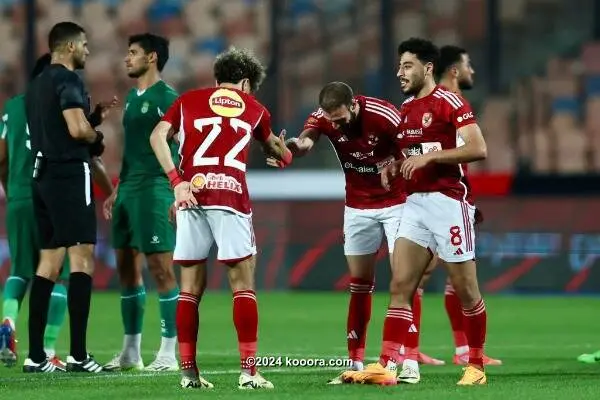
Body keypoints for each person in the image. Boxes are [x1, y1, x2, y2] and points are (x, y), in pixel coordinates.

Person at [266, 81, 441, 384]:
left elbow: (412, 154)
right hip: (357, 206)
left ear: (354, 105)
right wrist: (294, 147)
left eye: (340, 118)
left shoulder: (384, 115)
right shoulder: (324, 117)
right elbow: (307, 141)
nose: (336, 125)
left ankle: (408, 359)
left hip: (397, 203)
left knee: (404, 280)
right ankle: (355, 362)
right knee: (360, 283)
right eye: (331, 120)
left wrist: (398, 168)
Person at [341, 37, 488, 386]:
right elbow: (413, 153)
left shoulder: (450, 102)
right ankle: (387, 364)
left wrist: (430, 157)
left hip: (449, 203)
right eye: (399, 66)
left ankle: (477, 366)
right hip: (414, 205)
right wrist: (396, 164)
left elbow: (478, 148)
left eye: (407, 65)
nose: (400, 72)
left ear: (428, 67)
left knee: (465, 288)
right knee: (400, 285)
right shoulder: (404, 110)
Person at [149, 47, 291, 389]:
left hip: (192, 195)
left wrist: (177, 183)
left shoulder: (187, 100)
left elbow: (156, 137)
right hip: (230, 196)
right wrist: (283, 156)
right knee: (242, 284)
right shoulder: (255, 108)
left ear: (217, 80)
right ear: (245, 82)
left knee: (189, 289)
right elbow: (279, 151)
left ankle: (188, 374)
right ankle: (249, 373)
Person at [23, 21, 116, 373]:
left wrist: (92, 118)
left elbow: (59, 127)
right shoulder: (68, 79)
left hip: (42, 175)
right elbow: (77, 131)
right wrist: (95, 135)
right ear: (70, 47)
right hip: (68, 174)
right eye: (85, 44)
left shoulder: (35, 85)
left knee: (48, 264)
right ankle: (78, 355)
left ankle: (35, 357)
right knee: (82, 260)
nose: (88, 51)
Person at [408, 44, 501, 367]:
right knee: (440, 276)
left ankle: (457, 350)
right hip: (441, 199)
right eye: (468, 64)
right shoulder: (448, 103)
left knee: (444, 277)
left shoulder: (445, 103)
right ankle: (457, 351)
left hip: (449, 196)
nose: (471, 71)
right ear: (453, 70)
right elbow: (463, 153)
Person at [102, 33, 180, 373]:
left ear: (151, 57)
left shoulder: (169, 98)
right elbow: (133, 149)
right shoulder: (133, 98)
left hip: (155, 189)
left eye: (132, 53)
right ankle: (131, 352)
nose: (126, 58)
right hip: (129, 189)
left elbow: (183, 148)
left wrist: (179, 190)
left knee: (161, 269)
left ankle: (167, 353)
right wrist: (117, 190)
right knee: (127, 270)